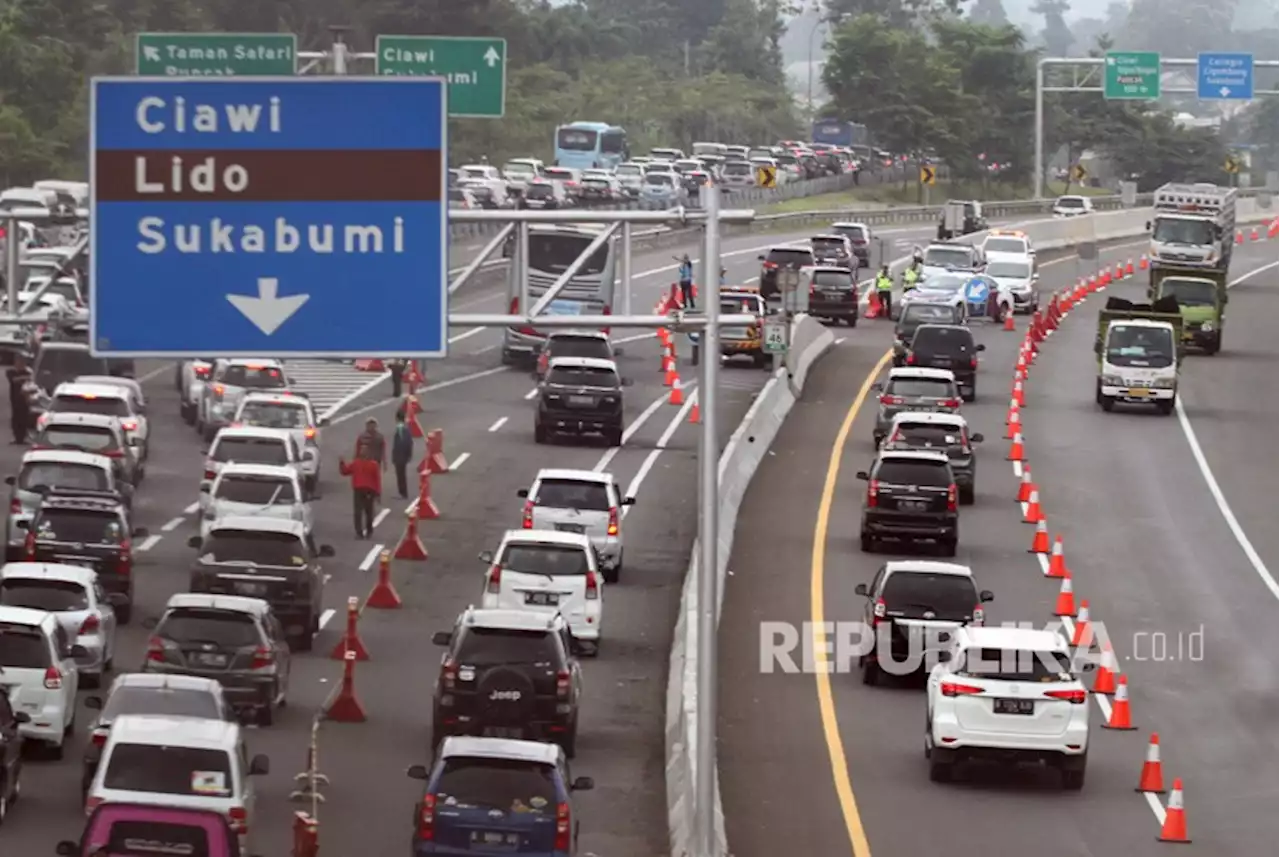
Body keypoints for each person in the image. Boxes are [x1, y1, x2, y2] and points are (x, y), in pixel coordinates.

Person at [340, 419, 386, 538]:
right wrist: (378, 493)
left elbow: (345, 471)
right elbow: (377, 479)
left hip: (358, 489)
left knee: (358, 511)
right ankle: (368, 531)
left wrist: (341, 463)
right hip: (369, 490)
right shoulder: (373, 464)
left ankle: (359, 532)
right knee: (368, 511)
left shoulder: (356, 463)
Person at [6, 357, 31, 444]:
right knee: (15, 418)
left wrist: (23, 378)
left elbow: (31, 379)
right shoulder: (11, 372)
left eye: (21, 363)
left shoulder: (27, 372)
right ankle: (16, 437)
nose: (20, 365)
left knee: (24, 418)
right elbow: (13, 380)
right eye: (18, 363)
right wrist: (24, 378)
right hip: (14, 399)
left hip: (24, 399)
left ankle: (23, 437)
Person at [392, 407, 414, 499]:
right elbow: (410, 442)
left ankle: (403, 492)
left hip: (399, 455)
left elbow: (398, 444)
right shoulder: (406, 429)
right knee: (402, 473)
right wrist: (409, 454)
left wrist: (394, 456)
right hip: (404, 455)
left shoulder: (400, 429)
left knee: (400, 474)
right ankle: (403, 492)